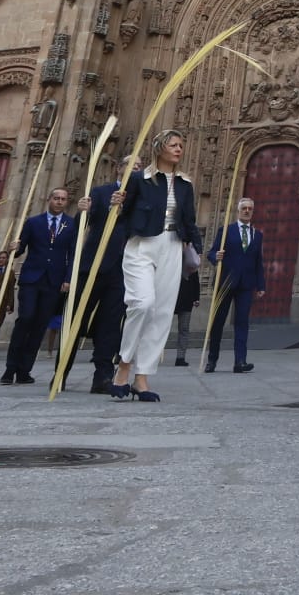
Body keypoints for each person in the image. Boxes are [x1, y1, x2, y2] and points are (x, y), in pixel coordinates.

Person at [110, 130, 199, 402]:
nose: (178, 149)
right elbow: (124, 214)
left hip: (172, 246)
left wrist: (194, 247)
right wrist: (116, 205)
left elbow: (190, 219)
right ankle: (124, 364)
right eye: (173, 144)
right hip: (141, 245)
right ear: (159, 148)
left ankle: (142, 377)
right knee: (142, 303)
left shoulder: (185, 184)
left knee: (161, 313)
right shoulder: (141, 179)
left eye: (181, 145)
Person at [2, 187, 86, 386]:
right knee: (26, 319)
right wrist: (14, 248)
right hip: (31, 278)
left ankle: (24, 370)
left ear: (67, 202)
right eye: (56, 198)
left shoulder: (71, 225)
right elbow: (21, 248)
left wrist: (68, 279)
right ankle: (10, 368)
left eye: (63, 199)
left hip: (54, 281)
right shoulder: (33, 222)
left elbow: (73, 253)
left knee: (40, 325)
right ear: (49, 199)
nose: (59, 201)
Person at [75, 178, 129, 395]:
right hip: (93, 266)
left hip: (123, 268)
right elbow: (83, 222)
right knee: (76, 321)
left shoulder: (141, 196)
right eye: (130, 166)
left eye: (138, 167)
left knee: (110, 325)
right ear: (119, 169)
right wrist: (83, 211)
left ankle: (103, 377)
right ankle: (61, 371)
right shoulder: (101, 192)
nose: (135, 170)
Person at [205, 197, 266, 373]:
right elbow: (212, 252)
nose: (247, 211)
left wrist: (260, 285)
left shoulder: (257, 235)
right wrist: (216, 257)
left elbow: (258, 262)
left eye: (250, 209)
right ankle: (212, 360)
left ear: (253, 212)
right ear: (238, 211)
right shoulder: (226, 231)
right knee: (218, 322)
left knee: (242, 322)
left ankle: (240, 361)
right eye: (244, 208)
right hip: (226, 282)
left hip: (246, 285)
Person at [172, 267, 203, 367]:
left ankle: (180, 357)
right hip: (170, 298)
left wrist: (196, 297)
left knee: (184, 328)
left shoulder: (190, 259)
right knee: (161, 327)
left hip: (186, 298)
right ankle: (154, 355)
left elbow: (195, 279)